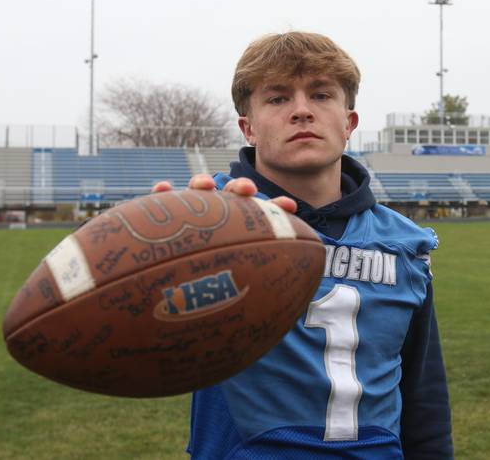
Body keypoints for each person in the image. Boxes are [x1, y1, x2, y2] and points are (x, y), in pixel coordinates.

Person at [155, 31, 453, 459]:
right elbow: (159, 343)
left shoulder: (403, 244)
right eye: (277, 99)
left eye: (320, 95)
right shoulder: (213, 219)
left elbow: (424, 402)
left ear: (349, 122)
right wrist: (173, 259)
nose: (301, 111)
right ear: (248, 127)